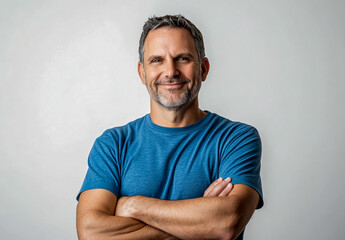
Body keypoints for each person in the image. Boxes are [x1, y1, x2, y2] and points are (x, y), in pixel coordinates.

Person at [76, 14, 263, 240]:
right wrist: (199, 223)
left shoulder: (236, 139)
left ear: (203, 69)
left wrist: (134, 206)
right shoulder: (113, 144)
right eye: (157, 60)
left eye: (183, 58)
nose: (171, 71)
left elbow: (226, 224)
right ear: (142, 73)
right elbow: (90, 233)